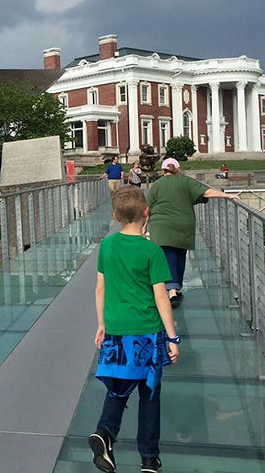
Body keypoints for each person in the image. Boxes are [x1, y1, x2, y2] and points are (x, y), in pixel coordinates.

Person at [89, 187, 180, 473]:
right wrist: (172, 337)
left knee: (117, 388)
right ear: (147, 213)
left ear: (116, 216)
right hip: (147, 333)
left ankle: (105, 433)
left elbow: (100, 288)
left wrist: (102, 324)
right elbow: (161, 297)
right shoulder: (152, 250)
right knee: (149, 394)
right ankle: (149, 458)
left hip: (116, 330)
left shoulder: (107, 246)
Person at [146, 158, 239, 308]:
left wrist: (143, 228)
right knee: (179, 256)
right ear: (178, 168)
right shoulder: (186, 181)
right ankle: (175, 289)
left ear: (163, 171)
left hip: (161, 227)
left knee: (167, 256)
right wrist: (227, 196)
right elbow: (206, 192)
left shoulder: (156, 185)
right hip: (183, 226)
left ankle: (172, 291)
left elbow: (147, 208)